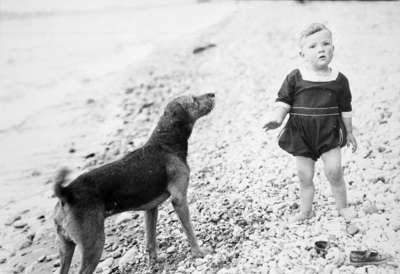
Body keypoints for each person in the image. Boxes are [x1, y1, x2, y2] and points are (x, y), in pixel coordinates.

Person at [264, 23, 357, 223]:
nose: (321, 49)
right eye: (313, 46)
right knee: (304, 176)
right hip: (301, 134)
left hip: (328, 132)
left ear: (333, 48)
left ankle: (343, 207)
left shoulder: (339, 80)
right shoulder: (295, 77)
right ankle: (306, 211)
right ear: (302, 54)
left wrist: (349, 132)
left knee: (334, 170)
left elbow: (346, 108)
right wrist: (277, 118)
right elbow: (283, 101)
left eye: (326, 44)